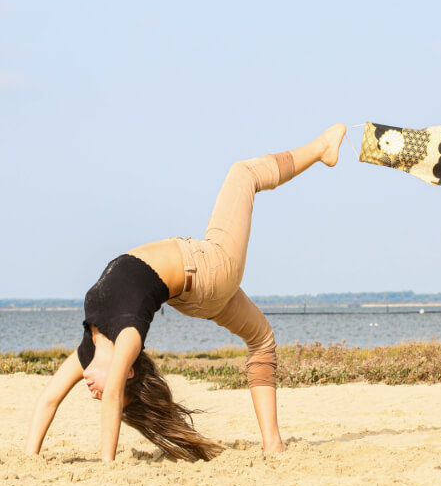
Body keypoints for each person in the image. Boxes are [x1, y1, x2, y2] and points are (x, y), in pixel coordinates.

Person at [25, 123, 347, 463]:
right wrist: (108, 466)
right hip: (208, 270)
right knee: (243, 174)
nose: (95, 394)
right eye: (107, 396)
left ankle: (273, 446)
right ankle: (321, 148)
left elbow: (49, 399)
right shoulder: (127, 336)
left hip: (195, 295)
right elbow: (114, 391)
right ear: (128, 371)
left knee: (262, 340)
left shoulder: (91, 348)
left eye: (103, 395)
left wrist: (30, 457)